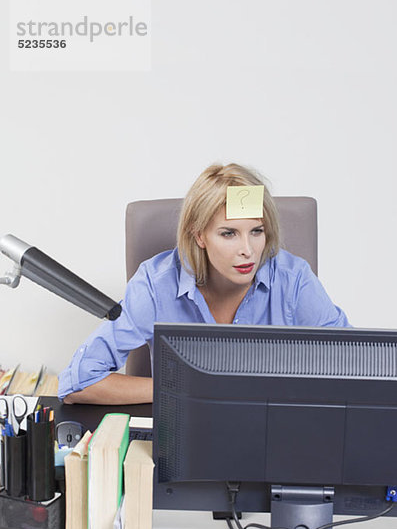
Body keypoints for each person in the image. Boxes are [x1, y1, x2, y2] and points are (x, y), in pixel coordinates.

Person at [59, 163, 350, 405]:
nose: (247, 249)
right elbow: (78, 383)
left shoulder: (293, 278)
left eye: (257, 231)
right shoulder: (155, 283)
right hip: (186, 436)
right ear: (199, 236)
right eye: (228, 233)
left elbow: (353, 368)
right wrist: (187, 387)